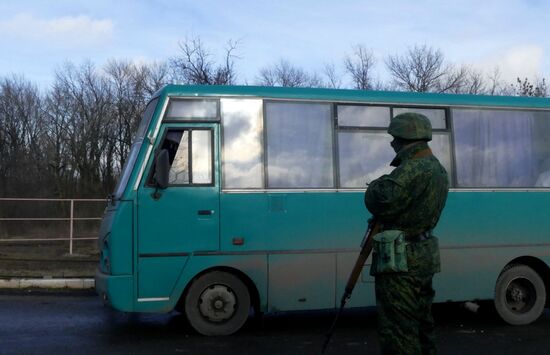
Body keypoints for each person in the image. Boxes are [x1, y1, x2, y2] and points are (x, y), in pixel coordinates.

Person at [364, 112, 449, 355]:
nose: (392, 143)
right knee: (423, 326)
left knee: (399, 332)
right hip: (422, 257)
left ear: (404, 138)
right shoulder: (438, 169)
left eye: (394, 138)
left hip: (401, 262)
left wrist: (374, 185)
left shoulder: (412, 169)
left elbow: (380, 199)